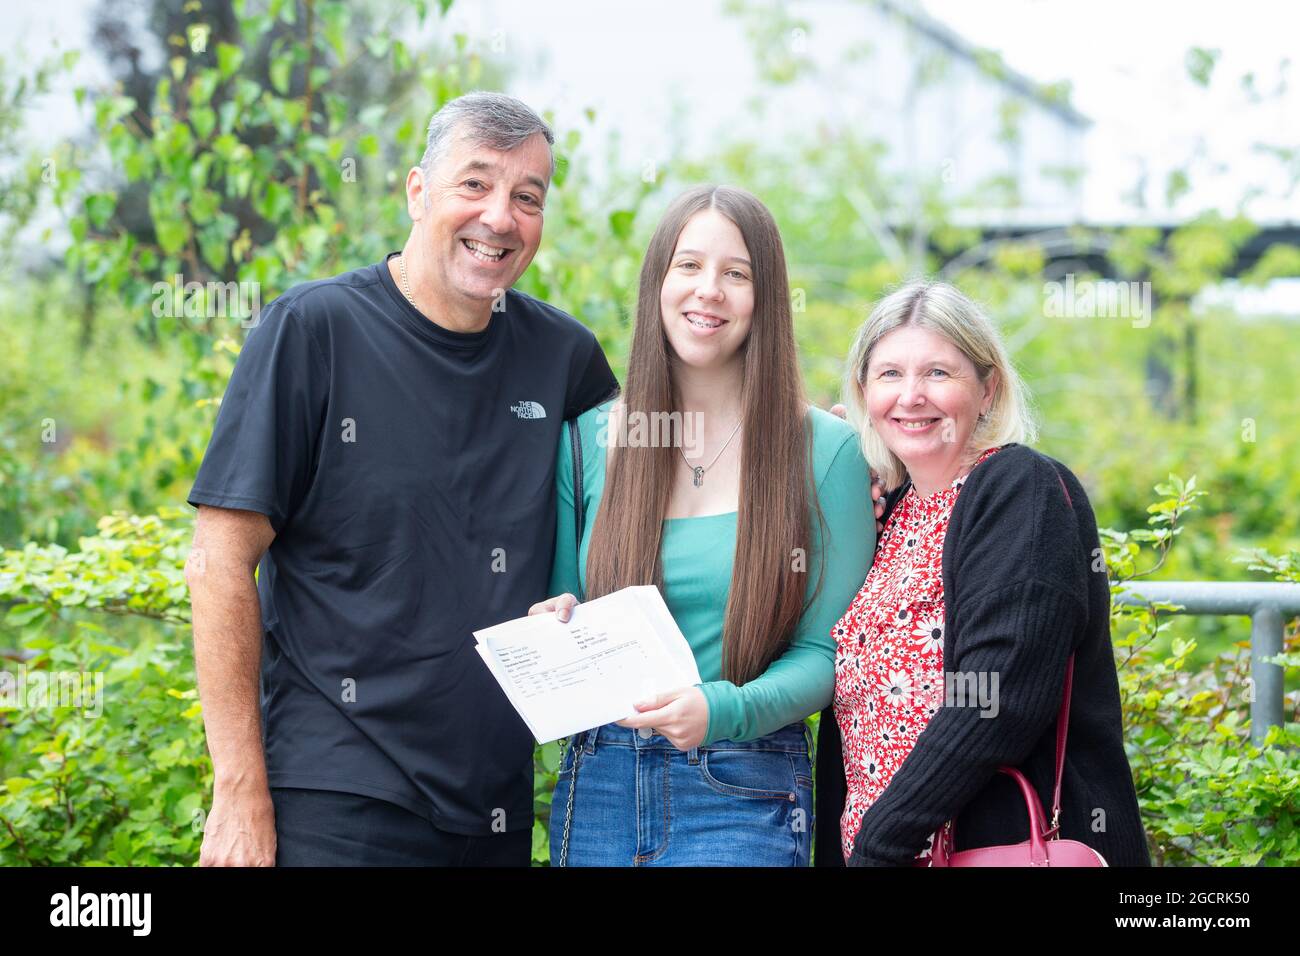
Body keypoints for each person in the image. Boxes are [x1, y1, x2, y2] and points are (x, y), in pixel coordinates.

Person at [184, 92, 618, 866]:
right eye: (475, 184)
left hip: (492, 807)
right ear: (418, 191)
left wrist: (810, 451)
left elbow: (649, 503)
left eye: (528, 197)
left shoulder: (564, 358)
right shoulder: (312, 331)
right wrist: (238, 789)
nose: (500, 217)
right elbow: (218, 561)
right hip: (335, 794)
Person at [529, 185, 875, 866]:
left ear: (766, 298)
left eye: (736, 273)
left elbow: (828, 654)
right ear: (659, 281)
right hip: (597, 783)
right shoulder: (588, 441)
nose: (707, 291)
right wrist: (557, 622)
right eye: (687, 266)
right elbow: (565, 603)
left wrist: (720, 711)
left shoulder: (826, 452)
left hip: (745, 787)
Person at [815, 279, 1150, 866]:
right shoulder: (887, 514)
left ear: (988, 387)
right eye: (889, 374)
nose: (911, 396)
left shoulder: (1020, 489)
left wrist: (883, 841)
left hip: (983, 846)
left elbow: (999, 691)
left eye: (939, 374)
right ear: (864, 391)